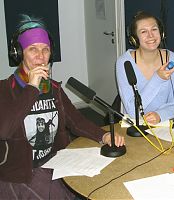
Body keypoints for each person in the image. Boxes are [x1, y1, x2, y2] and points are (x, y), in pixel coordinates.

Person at [0, 15, 125, 199]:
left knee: (94, 187)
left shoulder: (54, 88)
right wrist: (31, 89)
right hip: (20, 175)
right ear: (19, 53)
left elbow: (77, 121)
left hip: (55, 164)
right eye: (32, 49)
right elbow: (4, 130)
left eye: (45, 49)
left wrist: (103, 135)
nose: (40, 56)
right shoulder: (4, 89)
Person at [116, 11, 174, 125]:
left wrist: (160, 115)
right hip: (134, 126)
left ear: (161, 33)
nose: (150, 35)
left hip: (162, 124)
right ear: (134, 39)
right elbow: (133, 111)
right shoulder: (124, 63)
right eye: (143, 31)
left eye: (154, 29)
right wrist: (158, 78)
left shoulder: (172, 59)